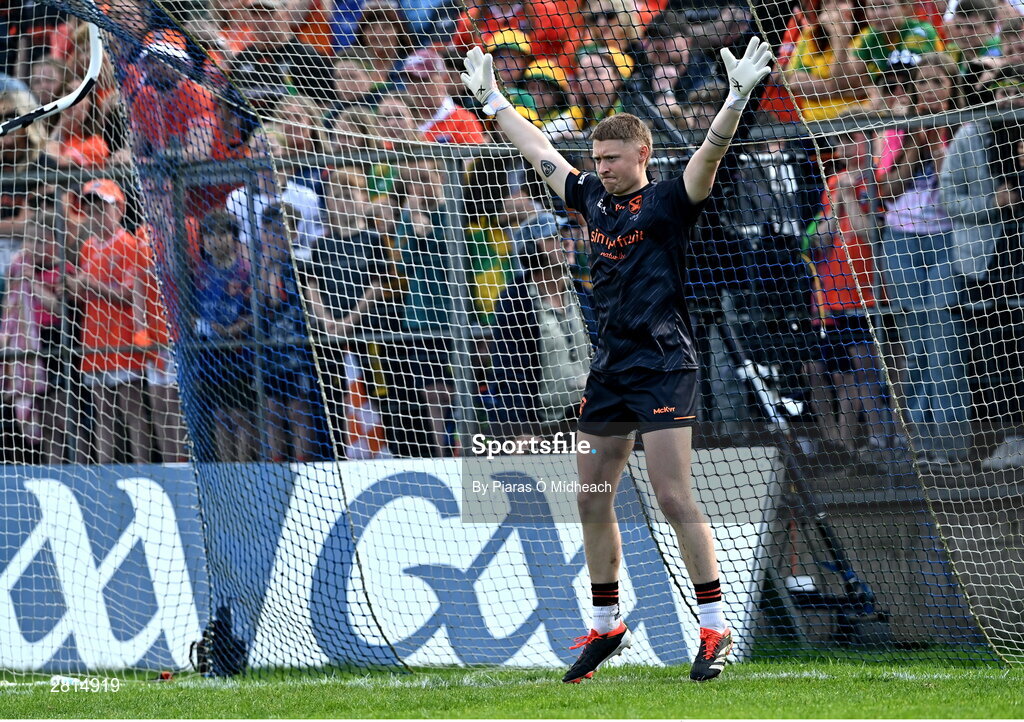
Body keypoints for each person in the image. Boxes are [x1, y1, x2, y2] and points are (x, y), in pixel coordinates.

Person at [461, 36, 773, 681]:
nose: (600, 166)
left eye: (611, 157)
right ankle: (607, 627)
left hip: (664, 362)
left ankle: (713, 628)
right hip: (611, 369)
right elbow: (540, 151)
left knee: (672, 495)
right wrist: (492, 101)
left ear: (643, 155)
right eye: (596, 158)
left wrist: (737, 97)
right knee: (591, 495)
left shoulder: (669, 200)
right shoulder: (590, 200)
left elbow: (711, 153)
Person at [876, 51, 972, 470]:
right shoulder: (898, 129)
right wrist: (915, 142)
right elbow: (885, 191)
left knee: (943, 334)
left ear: (951, 88)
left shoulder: (965, 129)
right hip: (900, 238)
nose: (931, 90)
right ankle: (918, 442)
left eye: (939, 82)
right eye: (924, 83)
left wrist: (938, 145)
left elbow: (959, 187)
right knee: (913, 341)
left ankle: (951, 445)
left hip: (947, 239)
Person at [66, 179, 149, 464]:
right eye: (91, 207)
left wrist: (91, 284)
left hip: (123, 338)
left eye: (103, 207)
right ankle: (104, 473)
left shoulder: (130, 244)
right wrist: (75, 287)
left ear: (119, 210)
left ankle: (145, 471)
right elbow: (85, 295)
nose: (96, 213)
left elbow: (130, 295)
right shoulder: (87, 246)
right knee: (103, 413)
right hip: (94, 340)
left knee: (133, 411)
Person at [488, 212, 592, 439]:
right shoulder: (515, 301)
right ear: (532, 248)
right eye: (554, 236)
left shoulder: (583, 295)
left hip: (594, 420)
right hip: (545, 426)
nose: (568, 241)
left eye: (567, 234)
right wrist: (520, 427)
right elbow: (509, 371)